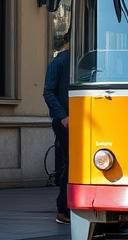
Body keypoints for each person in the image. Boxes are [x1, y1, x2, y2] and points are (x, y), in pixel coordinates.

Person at [43, 31, 72, 224]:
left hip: (72, 119)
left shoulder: (72, 61)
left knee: (71, 164)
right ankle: (63, 209)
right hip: (65, 121)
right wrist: (63, 116)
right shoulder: (60, 61)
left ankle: (67, 207)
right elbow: (48, 92)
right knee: (69, 164)